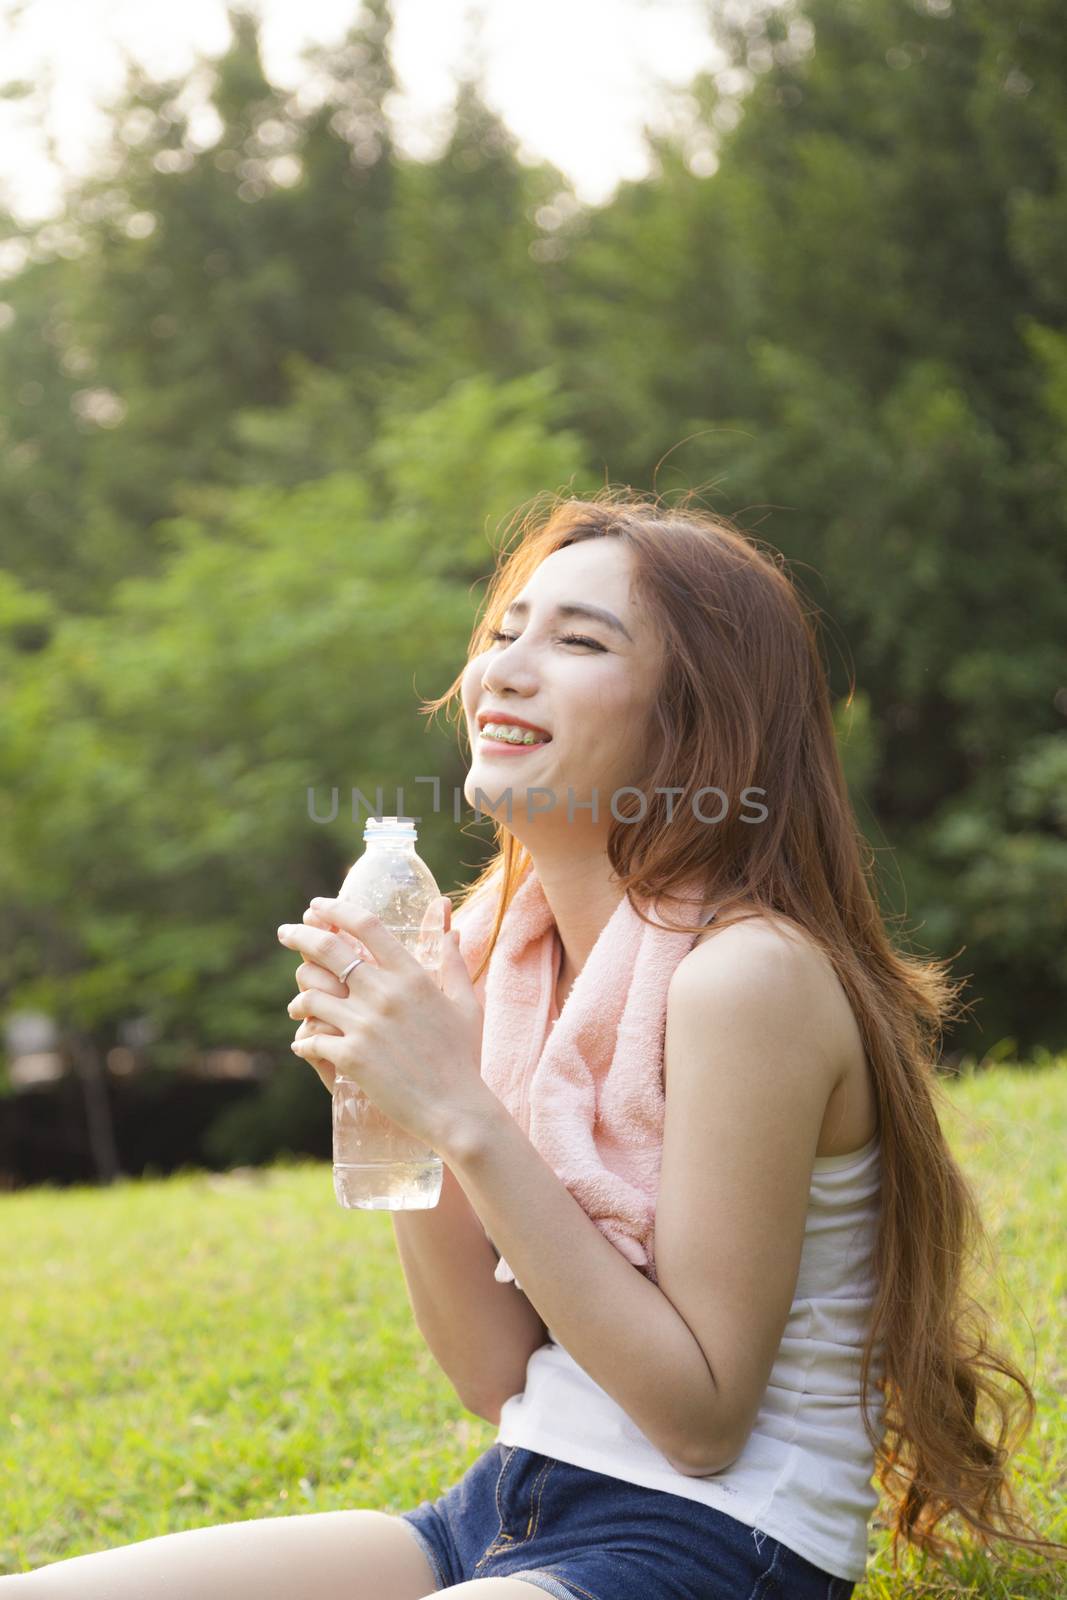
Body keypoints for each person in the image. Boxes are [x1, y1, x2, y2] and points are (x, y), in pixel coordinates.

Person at [6, 491, 1060, 1598]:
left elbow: (698, 1419)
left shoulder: (748, 978)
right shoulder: (497, 945)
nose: (501, 669)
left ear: (696, 718)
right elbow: (491, 1370)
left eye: (577, 640)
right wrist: (398, 1111)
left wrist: (461, 1107)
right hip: (499, 1507)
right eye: (504, 632)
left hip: (710, 1544)